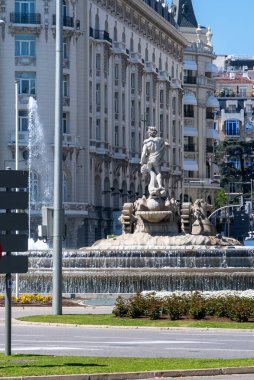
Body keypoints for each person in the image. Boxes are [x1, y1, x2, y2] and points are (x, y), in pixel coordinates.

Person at [140, 126, 169, 195]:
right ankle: (160, 186)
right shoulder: (160, 140)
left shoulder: (146, 142)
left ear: (149, 133)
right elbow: (167, 145)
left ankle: (153, 188)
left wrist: (141, 161)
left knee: (152, 173)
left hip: (150, 160)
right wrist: (166, 146)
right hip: (157, 160)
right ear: (155, 133)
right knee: (158, 173)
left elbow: (143, 153)